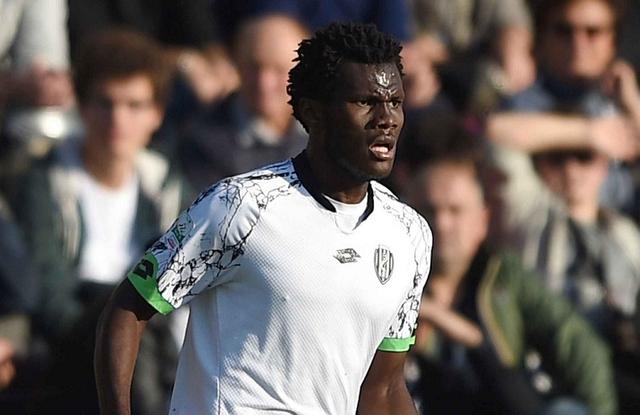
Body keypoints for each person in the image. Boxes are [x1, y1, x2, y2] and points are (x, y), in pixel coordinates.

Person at [95, 22, 432, 414]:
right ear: (314, 113)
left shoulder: (409, 233)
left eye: (395, 102)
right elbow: (127, 310)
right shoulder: (239, 206)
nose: (386, 118)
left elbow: (385, 388)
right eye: (365, 102)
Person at [16, 30, 190, 413]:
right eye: (105, 103)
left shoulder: (167, 186)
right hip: (73, 345)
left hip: (154, 339)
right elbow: (48, 295)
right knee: (129, 314)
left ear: (157, 114)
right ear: (81, 107)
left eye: (134, 105)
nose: (118, 119)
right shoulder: (45, 181)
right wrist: (113, 330)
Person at [402, 117, 616, 415]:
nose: (442, 224)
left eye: (455, 210)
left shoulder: (503, 274)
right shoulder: (386, 280)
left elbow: (575, 342)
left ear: (483, 219)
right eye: (429, 209)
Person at [176, 14, 309, 191]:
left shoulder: (328, 132)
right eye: (254, 67)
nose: (264, 82)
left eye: (279, 70)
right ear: (237, 65)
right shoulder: (202, 143)